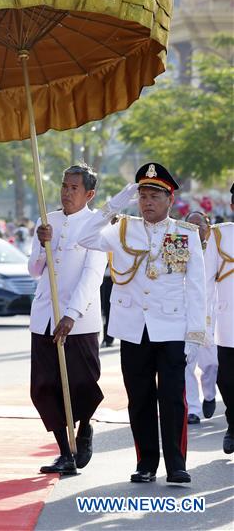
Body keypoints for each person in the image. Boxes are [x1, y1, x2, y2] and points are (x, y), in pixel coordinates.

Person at [78, 162, 206, 484]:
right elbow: (84, 236)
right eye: (143, 195)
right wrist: (115, 203)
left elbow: (196, 287)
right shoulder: (123, 228)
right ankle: (147, 462)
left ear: (169, 200)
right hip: (134, 327)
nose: (147, 202)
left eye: (154, 196)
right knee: (141, 397)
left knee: (173, 398)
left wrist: (195, 335)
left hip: (172, 328)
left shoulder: (185, 234)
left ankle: (176, 464)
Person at [28, 164, 107, 476]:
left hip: (80, 320)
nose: (66, 192)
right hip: (45, 316)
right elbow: (35, 270)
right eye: (64, 186)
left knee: (82, 383)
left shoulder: (97, 224)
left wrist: (72, 315)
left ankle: (85, 426)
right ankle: (65, 452)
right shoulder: (46, 221)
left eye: (74, 188)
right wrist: (40, 243)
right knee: (45, 386)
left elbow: (92, 276)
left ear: (89, 194)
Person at [204, 183, 233, 454]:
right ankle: (233, 423)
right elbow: (206, 281)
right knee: (227, 379)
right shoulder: (220, 236)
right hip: (229, 325)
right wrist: (204, 320)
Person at [182, 211, 217, 425]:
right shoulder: (177, 248)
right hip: (188, 313)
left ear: (208, 227)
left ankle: (210, 394)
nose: (195, 229)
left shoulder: (218, 247)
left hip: (213, 315)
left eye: (199, 225)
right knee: (186, 362)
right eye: (190, 225)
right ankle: (192, 409)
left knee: (212, 363)